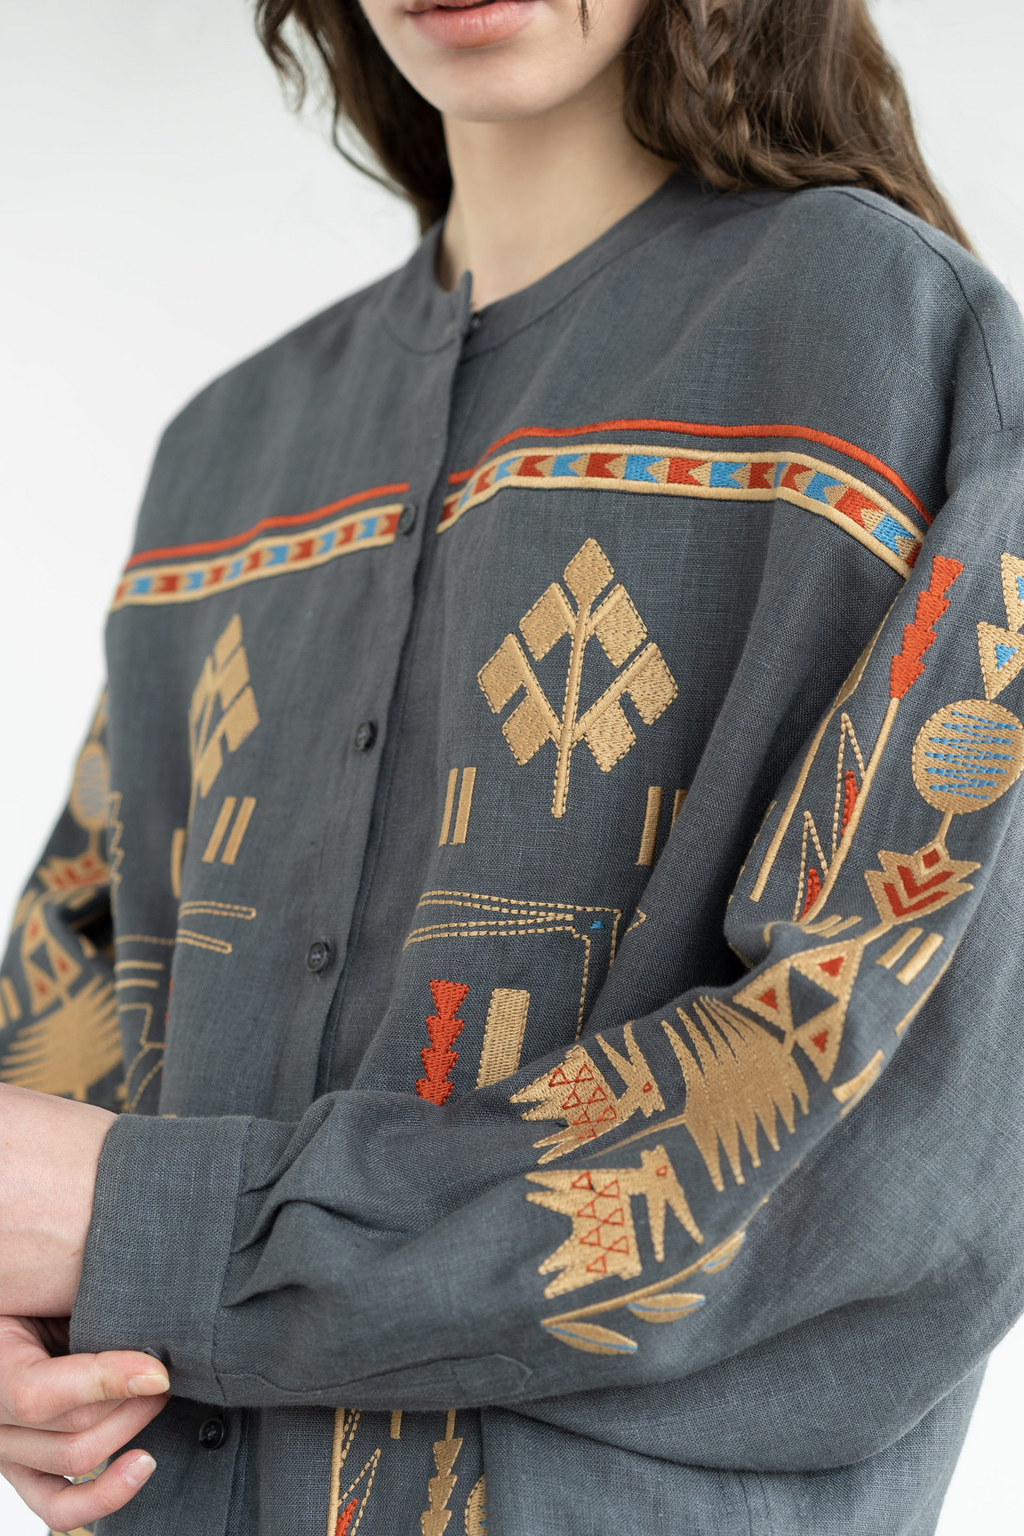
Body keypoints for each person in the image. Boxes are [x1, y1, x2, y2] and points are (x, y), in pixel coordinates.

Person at [1, 0, 1022, 1531]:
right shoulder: (225, 453)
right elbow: (75, 985)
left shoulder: (889, 341)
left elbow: (891, 1122)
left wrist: (165, 1230)